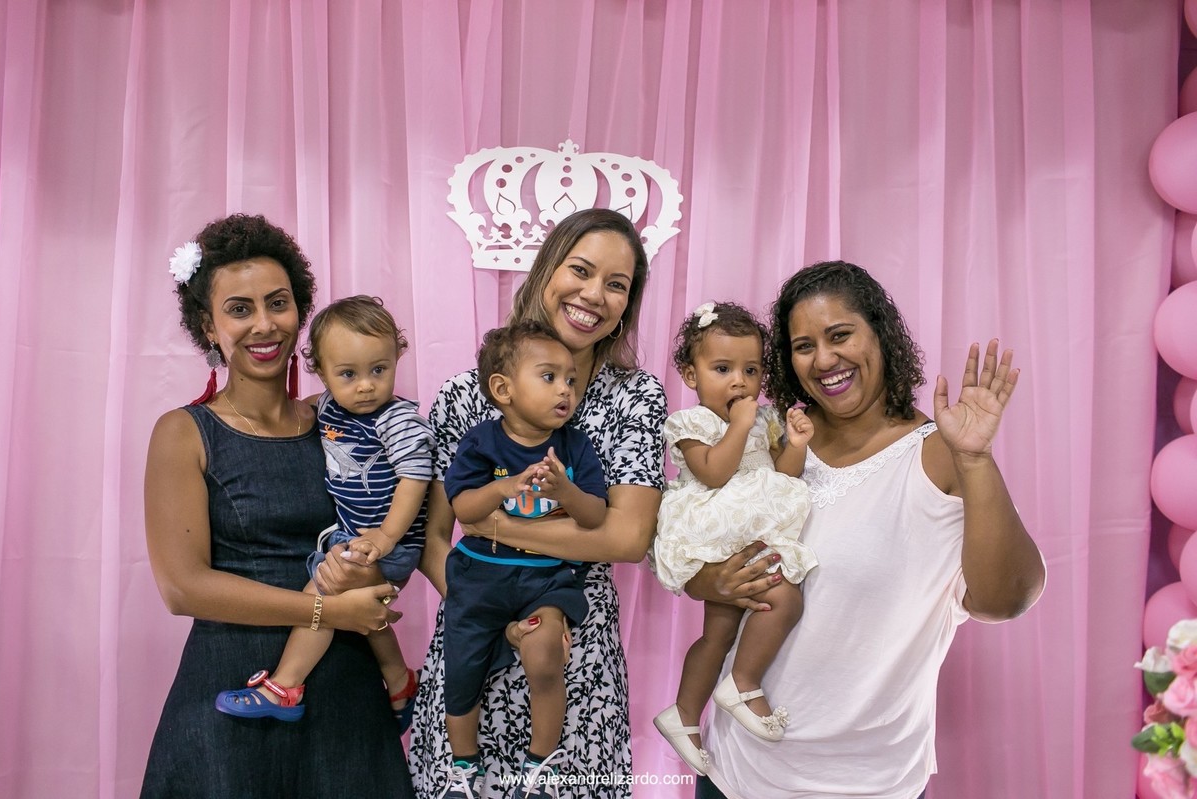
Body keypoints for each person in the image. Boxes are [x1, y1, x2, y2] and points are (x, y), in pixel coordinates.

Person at [313, 207, 667, 799]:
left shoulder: (635, 398)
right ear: (545, 270)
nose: (595, 295)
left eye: (617, 284)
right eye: (580, 270)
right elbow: (432, 538)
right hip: (473, 640)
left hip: (571, 651)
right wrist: (490, 612)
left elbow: (626, 540)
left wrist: (496, 526)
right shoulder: (462, 395)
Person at [686, 261, 1046, 799]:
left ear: (880, 332)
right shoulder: (775, 442)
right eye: (803, 345)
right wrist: (711, 583)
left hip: (870, 782)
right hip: (738, 771)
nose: (825, 359)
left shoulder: (938, 454)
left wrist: (974, 459)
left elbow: (1005, 600)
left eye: (840, 335)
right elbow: (698, 555)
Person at [141, 214, 413, 798]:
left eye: (278, 303)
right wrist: (331, 613)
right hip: (229, 694)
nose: (264, 324)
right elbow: (182, 588)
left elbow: (400, 516)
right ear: (208, 327)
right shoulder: (184, 433)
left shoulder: (343, 421)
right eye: (239, 308)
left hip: (345, 696)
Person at [213, 295, 431, 733]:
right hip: (351, 536)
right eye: (347, 374)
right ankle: (399, 680)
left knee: (323, 592)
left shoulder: (397, 419)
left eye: (379, 370)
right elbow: (307, 409)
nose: (366, 386)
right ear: (321, 371)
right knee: (359, 607)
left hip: (391, 543)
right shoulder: (328, 406)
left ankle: (285, 687)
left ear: (397, 357)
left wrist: (386, 538)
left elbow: (415, 478)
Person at [440, 320, 609, 796]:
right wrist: (502, 486)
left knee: (544, 656)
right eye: (550, 377)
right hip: (479, 576)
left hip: (546, 581)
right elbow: (463, 511)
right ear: (504, 389)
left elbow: (595, 516)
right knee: (463, 670)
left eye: (571, 380)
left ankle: (541, 768)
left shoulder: (574, 446)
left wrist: (567, 491)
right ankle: (463, 767)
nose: (566, 391)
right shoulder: (481, 442)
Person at [650, 301, 817, 776]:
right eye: (722, 369)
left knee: (720, 631)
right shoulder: (692, 423)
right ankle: (743, 682)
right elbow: (715, 473)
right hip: (716, 521)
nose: (739, 382)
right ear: (690, 373)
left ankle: (682, 714)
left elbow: (783, 476)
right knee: (784, 600)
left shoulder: (765, 419)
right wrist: (740, 426)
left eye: (750, 369)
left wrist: (796, 445)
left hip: (750, 519)